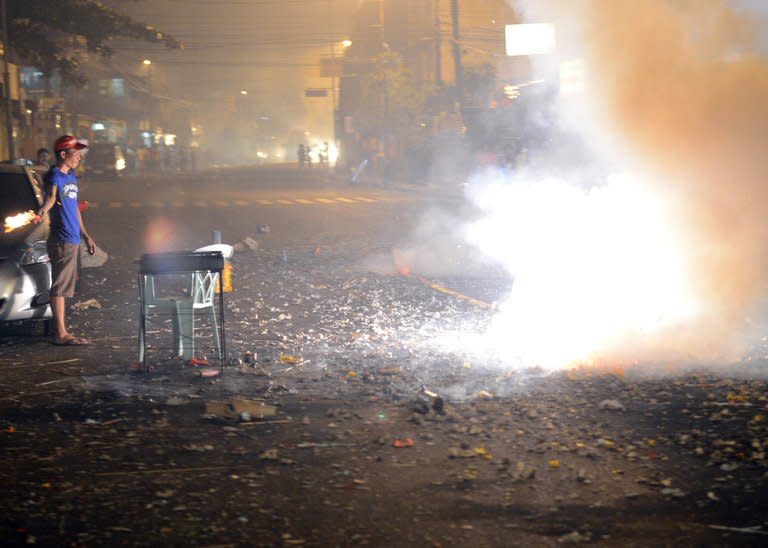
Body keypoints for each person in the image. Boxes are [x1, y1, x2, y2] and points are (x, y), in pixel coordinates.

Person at [34, 135, 96, 346]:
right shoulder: (55, 176)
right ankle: (60, 333)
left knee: (64, 286)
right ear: (63, 154)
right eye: (75, 152)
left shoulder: (71, 177)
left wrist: (86, 235)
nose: (78, 156)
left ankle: (60, 330)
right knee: (60, 287)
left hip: (73, 239)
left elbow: (74, 209)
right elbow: (51, 199)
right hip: (61, 240)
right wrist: (42, 211)